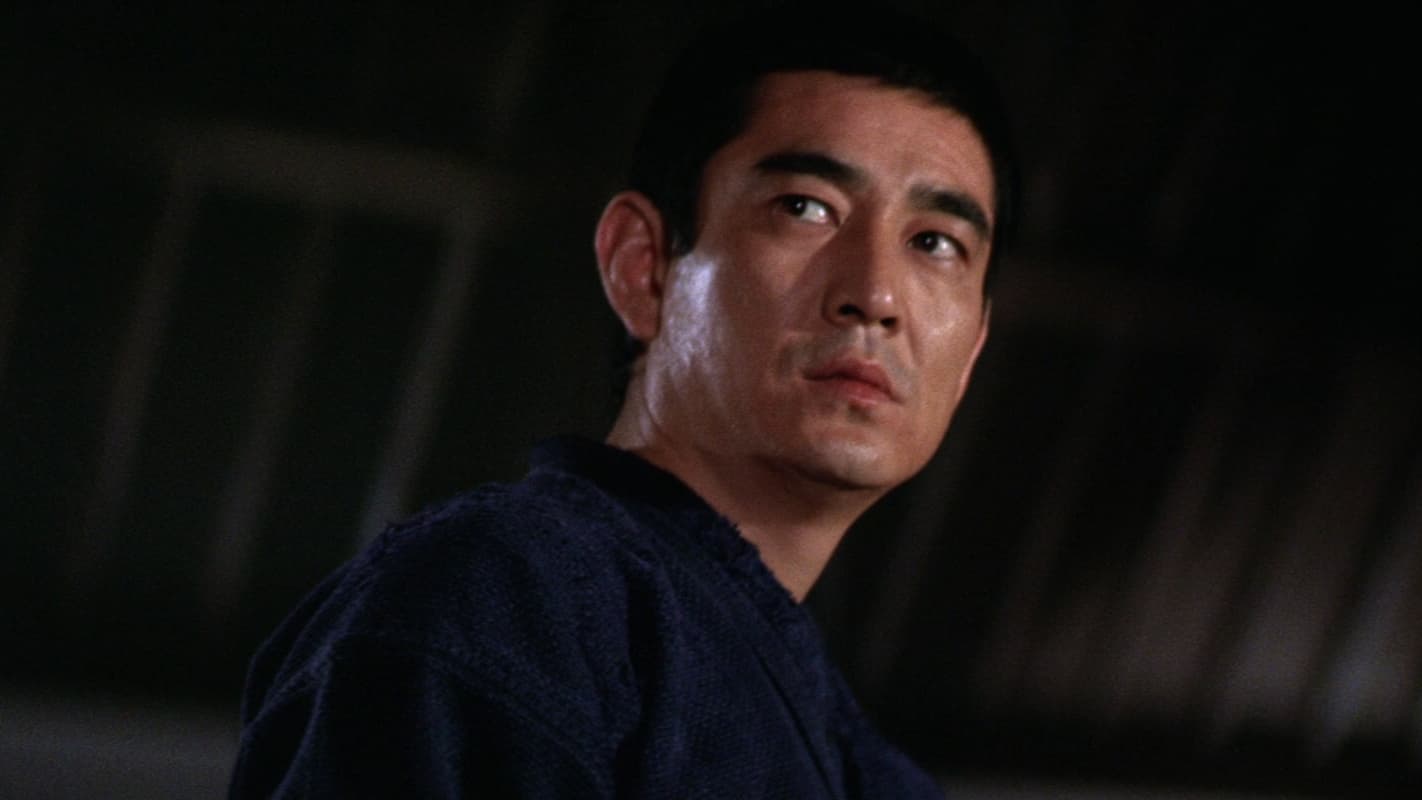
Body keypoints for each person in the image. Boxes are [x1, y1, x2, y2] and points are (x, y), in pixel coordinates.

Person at [229, 5, 1016, 797]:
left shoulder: (874, 777)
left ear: (972, 351)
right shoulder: (506, 601)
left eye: (936, 243)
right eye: (805, 207)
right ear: (644, 267)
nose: (876, 295)